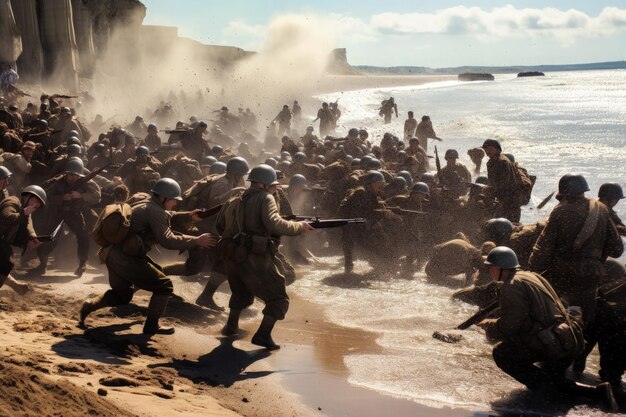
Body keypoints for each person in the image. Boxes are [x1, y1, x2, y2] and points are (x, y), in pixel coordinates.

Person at [478, 247, 617, 411]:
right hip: (566, 339)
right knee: (548, 377)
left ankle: (592, 393)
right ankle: (576, 389)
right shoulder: (532, 276)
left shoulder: (511, 285)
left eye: (491, 267)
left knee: (502, 353)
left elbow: (510, 326)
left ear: (500, 268)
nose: (490, 271)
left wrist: (490, 327)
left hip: (554, 344)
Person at [79, 178, 217, 334]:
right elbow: (168, 240)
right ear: (163, 198)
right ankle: (152, 326)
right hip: (126, 257)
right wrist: (197, 240)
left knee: (122, 295)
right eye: (173, 200)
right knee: (164, 286)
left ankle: (90, 305)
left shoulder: (144, 204)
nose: (175, 203)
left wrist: (189, 217)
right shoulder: (154, 210)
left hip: (113, 254)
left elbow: (168, 215)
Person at [216, 164, 313, 349]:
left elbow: (220, 226)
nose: (276, 189)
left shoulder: (237, 198)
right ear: (265, 184)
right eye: (274, 185)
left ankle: (230, 327)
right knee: (279, 300)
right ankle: (263, 335)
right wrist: (299, 227)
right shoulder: (265, 197)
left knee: (240, 293)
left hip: (233, 255)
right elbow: (274, 223)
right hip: (255, 257)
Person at [528, 173, 623, 326]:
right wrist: (595, 257)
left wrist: (532, 275)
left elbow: (542, 249)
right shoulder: (602, 209)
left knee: (556, 317)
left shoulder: (560, 212)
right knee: (586, 320)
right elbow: (617, 249)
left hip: (562, 275)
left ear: (565, 194)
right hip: (591, 276)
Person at [29, 158, 101, 277]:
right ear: (66, 173)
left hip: (74, 213)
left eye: (75, 175)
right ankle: (42, 265)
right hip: (58, 212)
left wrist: (81, 195)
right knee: (48, 237)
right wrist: (62, 198)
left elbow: (97, 197)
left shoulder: (86, 182)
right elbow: (45, 197)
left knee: (83, 236)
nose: (72, 177)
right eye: (70, 175)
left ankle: (82, 264)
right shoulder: (57, 182)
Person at [0, 186, 47, 295]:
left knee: (5, 263)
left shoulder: (24, 210)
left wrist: (33, 238)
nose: (37, 206)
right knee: (6, 261)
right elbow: (6, 217)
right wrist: (23, 213)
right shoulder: (12, 202)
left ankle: (15, 285)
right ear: (29, 197)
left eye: (39, 205)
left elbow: (27, 226)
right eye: (37, 202)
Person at [481, 139, 522, 222]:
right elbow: (492, 181)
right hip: (502, 199)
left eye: (489, 148)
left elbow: (504, 184)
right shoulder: (491, 162)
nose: (487, 151)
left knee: (508, 224)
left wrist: (491, 190)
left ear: (497, 149)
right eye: (485, 149)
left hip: (510, 200)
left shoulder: (503, 162)